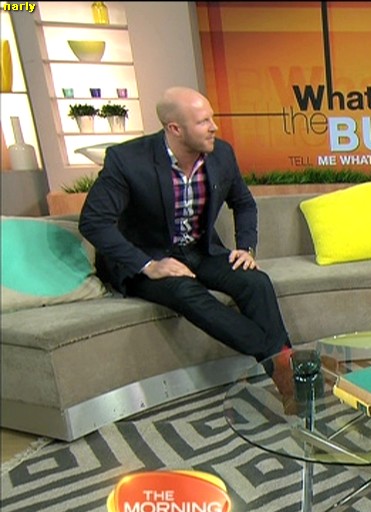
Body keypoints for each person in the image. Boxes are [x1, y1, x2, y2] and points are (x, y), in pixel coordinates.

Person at [79, 86, 292, 374]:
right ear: (175, 129)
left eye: (211, 118)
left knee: (256, 282)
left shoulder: (221, 154)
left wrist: (246, 248)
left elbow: (243, 203)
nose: (214, 127)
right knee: (185, 291)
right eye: (203, 122)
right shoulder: (127, 160)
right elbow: (93, 221)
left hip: (201, 251)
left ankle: (285, 368)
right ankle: (285, 361)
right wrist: (148, 265)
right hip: (149, 258)